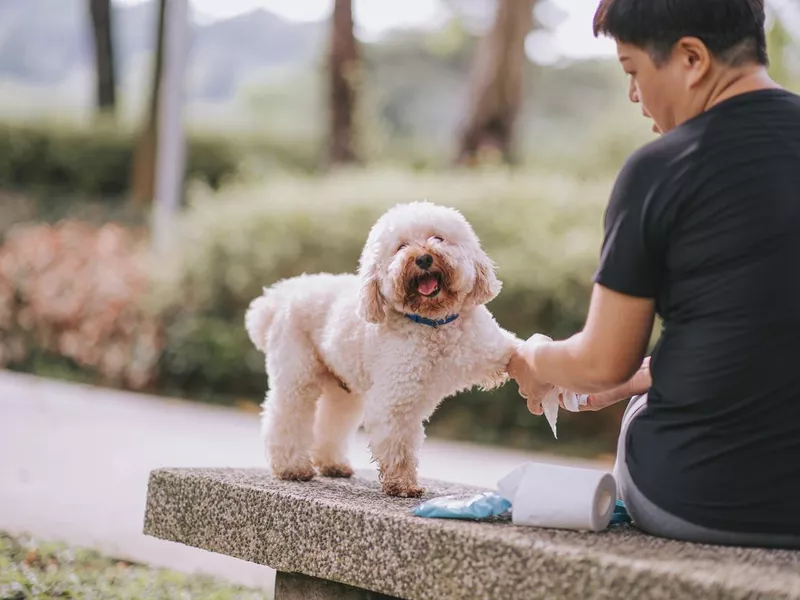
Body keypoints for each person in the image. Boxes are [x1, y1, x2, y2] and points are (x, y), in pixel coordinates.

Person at [507, 0, 800, 548]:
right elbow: (762, 332)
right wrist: (636, 375)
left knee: (645, 412)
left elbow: (600, 362)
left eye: (632, 70)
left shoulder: (662, 168)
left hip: (699, 500)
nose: (634, 95)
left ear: (691, 58)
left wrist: (535, 358)